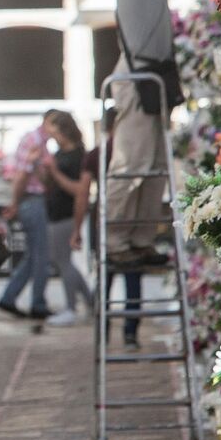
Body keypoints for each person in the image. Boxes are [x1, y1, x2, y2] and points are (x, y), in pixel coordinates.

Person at [101, 0, 214, 267]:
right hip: (139, 76)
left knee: (153, 165)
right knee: (132, 163)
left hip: (150, 73)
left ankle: (139, 240)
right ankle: (114, 240)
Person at [73, 107, 143, 350]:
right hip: (132, 218)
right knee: (132, 277)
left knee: (105, 276)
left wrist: (77, 228)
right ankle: (131, 333)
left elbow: (83, 193)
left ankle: (103, 332)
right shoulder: (135, 152)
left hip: (103, 220)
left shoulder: (96, 154)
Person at [0, 111, 58, 321]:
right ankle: (37, 303)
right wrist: (15, 202)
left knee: (33, 256)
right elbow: (22, 174)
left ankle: (9, 297)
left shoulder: (40, 144)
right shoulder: (34, 141)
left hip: (31, 199)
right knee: (40, 255)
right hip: (31, 200)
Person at [39, 111, 94, 327]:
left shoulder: (78, 156)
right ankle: (90, 301)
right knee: (62, 261)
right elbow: (49, 181)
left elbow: (79, 190)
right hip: (55, 213)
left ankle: (72, 307)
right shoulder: (59, 153)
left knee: (64, 262)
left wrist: (55, 172)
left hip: (67, 214)